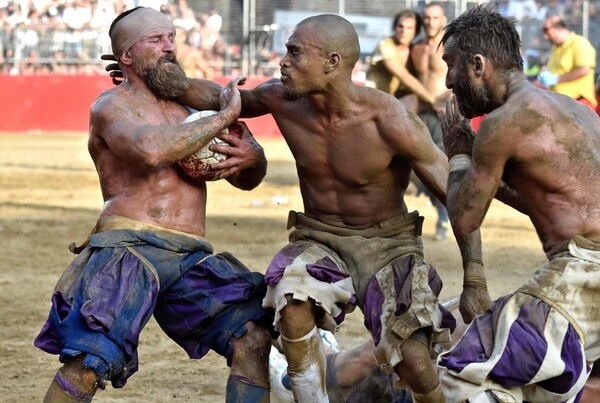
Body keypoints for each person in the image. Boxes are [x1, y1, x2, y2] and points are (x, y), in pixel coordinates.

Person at [174, 13, 491, 403]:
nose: (283, 61)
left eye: (294, 52)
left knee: (413, 358)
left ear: (332, 62)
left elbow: (458, 202)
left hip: (388, 245)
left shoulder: (391, 119)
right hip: (319, 236)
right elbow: (219, 98)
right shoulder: (281, 97)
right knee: (292, 301)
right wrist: (161, 75)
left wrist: (474, 277)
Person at [34, 7, 274, 402]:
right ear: (126, 55)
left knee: (253, 337)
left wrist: (253, 160)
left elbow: (248, 180)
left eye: (171, 38)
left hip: (190, 255)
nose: (170, 47)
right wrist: (222, 118)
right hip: (129, 248)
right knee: (89, 362)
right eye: (156, 40)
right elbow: (149, 150)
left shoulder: (192, 112)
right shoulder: (111, 106)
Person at [436, 4, 600, 402]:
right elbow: (555, 199)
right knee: (540, 388)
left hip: (581, 275)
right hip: (587, 275)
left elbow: (464, 218)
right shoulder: (576, 110)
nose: (447, 80)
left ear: (478, 65)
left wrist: (459, 153)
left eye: (451, 64)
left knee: (459, 378)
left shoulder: (503, 123)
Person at [408, 1, 452, 240]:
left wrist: (446, 96)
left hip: (444, 114)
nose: (430, 22)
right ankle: (440, 209)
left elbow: (463, 77)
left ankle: (445, 216)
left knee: (439, 167)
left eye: (435, 18)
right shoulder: (416, 47)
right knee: (416, 167)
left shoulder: (451, 45)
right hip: (421, 114)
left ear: (443, 20)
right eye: (426, 18)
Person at [364, 9, 436, 108]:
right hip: (372, 100)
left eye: (409, 28)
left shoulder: (413, 50)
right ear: (395, 27)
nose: (404, 31)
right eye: (400, 26)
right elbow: (403, 75)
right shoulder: (385, 45)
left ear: (416, 31)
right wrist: (433, 101)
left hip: (393, 101)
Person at [538, 15, 597, 111]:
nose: (545, 36)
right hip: (558, 102)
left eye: (546, 31)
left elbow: (585, 69)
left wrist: (557, 79)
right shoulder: (555, 48)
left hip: (580, 104)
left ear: (559, 28)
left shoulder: (580, 43)